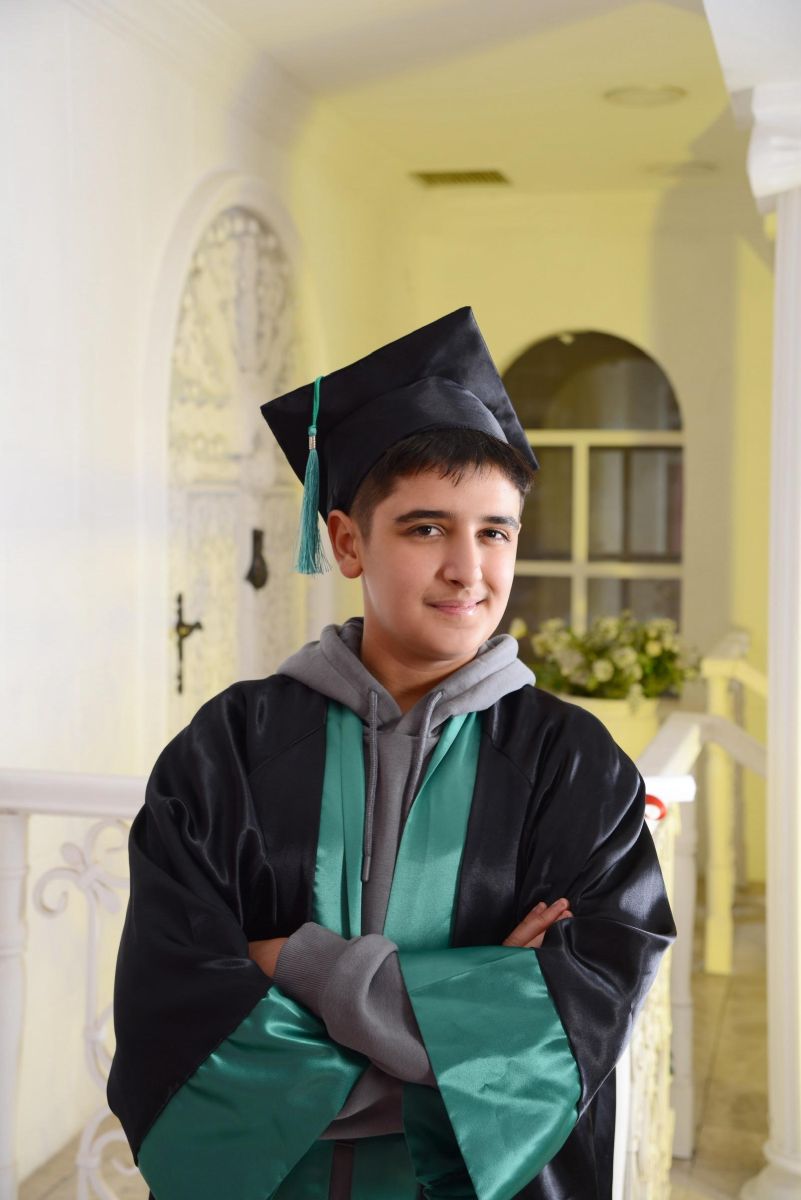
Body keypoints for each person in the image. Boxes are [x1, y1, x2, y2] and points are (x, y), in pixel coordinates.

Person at [107, 307, 675, 1200]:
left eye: (494, 531)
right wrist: (464, 1029)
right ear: (345, 541)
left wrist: (293, 961)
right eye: (425, 528)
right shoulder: (231, 749)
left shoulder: (574, 766)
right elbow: (173, 1009)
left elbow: (573, 1029)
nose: (467, 569)